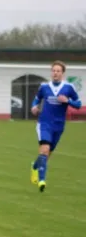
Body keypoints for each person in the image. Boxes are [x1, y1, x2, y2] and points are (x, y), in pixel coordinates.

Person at [30, 60, 82, 192]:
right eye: (53, 71)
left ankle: (35, 167)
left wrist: (67, 101)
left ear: (62, 73)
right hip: (44, 123)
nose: (55, 73)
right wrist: (34, 106)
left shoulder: (68, 88)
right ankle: (42, 180)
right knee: (45, 149)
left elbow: (78, 104)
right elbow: (37, 98)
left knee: (48, 154)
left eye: (58, 71)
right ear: (51, 72)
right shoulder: (44, 87)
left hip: (58, 125)